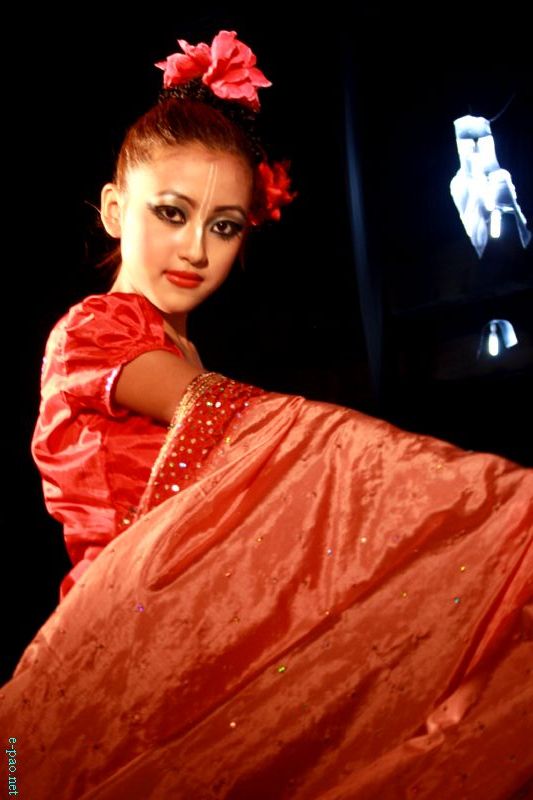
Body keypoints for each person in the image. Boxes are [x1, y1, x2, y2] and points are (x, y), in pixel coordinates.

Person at [1, 29, 532, 800]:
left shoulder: (181, 347)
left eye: (222, 225)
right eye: (171, 212)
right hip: (122, 634)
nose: (195, 249)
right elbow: (218, 416)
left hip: (185, 622)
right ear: (115, 210)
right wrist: (445, 491)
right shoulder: (98, 328)